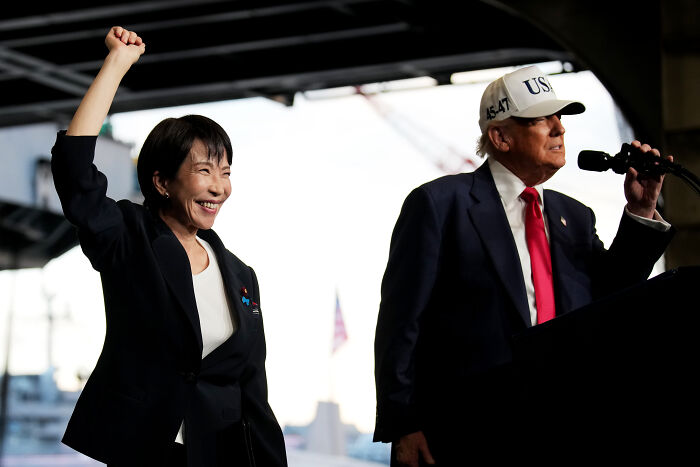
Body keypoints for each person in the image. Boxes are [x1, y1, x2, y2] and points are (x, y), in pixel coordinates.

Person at [373, 65, 675, 466]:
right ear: (500, 136)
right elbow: (400, 323)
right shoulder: (440, 205)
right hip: (468, 434)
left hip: (562, 428)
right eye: (542, 119)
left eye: (560, 118)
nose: (559, 129)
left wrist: (640, 209)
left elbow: (609, 298)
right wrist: (403, 423)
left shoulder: (575, 217)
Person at [51, 27, 287, 466]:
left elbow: (253, 393)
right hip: (143, 450)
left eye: (226, 172)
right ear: (161, 181)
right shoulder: (127, 235)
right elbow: (75, 173)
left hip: (218, 455)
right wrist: (116, 64)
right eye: (204, 171)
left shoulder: (241, 276)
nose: (219, 187)